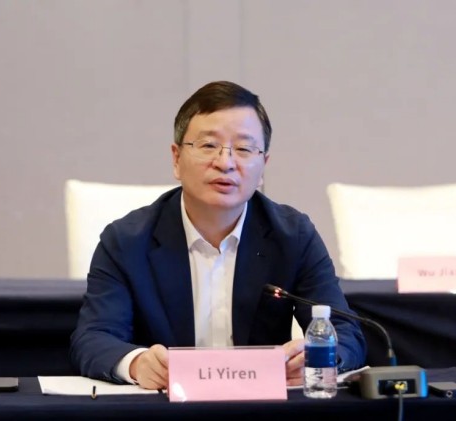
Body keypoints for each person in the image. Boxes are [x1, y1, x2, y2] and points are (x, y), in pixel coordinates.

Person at [70, 80, 367, 390]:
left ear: (263, 166)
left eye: (244, 149)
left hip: (261, 410)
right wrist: (137, 362)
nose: (225, 163)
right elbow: (93, 338)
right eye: (208, 146)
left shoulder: (293, 236)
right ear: (176, 159)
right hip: (164, 408)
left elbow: (346, 333)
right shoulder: (126, 241)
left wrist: (317, 357)